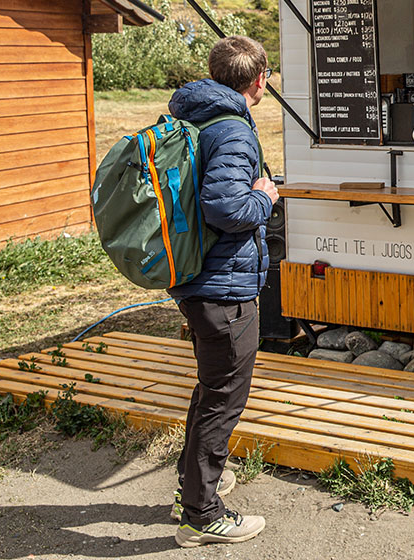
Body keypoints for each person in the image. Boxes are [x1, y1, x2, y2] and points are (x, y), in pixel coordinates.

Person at [166, 35, 278, 548]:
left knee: (211, 390)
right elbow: (227, 208)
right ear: (258, 80)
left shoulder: (195, 115)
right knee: (223, 400)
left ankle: (193, 488)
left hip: (195, 278)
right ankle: (202, 514)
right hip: (223, 286)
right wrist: (266, 198)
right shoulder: (233, 128)